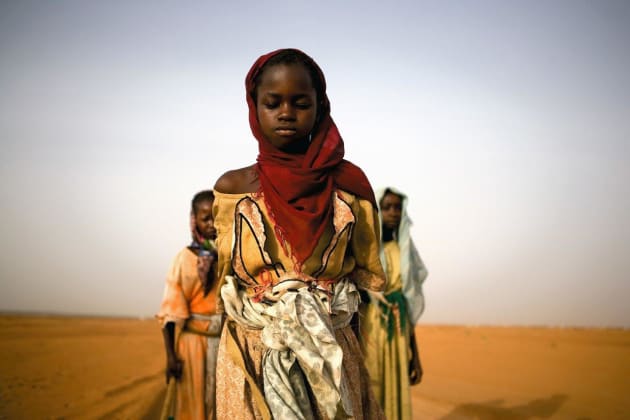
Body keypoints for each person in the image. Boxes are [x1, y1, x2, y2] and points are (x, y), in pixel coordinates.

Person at [211, 48, 386, 420]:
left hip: (331, 353)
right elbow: (226, 274)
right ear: (254, 108)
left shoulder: (350, 187)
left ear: (320, 107)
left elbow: (362, 278)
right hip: (253, 351)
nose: (286, 113)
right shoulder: (233, 189)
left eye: (300, 103)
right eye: (272, 103)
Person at [359, 187, 428, 420]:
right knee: (373, 385)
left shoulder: (405, 251)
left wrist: (415, 355)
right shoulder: (366, 250)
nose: (393, 212)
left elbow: (407, 304)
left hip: (399, 331)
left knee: (397, 387)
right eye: (387, 207)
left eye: (397, 207)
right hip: (372, 329)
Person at [157, 190, 223, 420]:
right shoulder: (183, 259)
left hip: (225, 345)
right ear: (194, 220)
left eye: (216, 216)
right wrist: (171, 357)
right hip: (193, 346)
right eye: (206, 218)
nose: (212, 224)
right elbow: (170, 314)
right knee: (193, 406)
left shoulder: (231, 257)